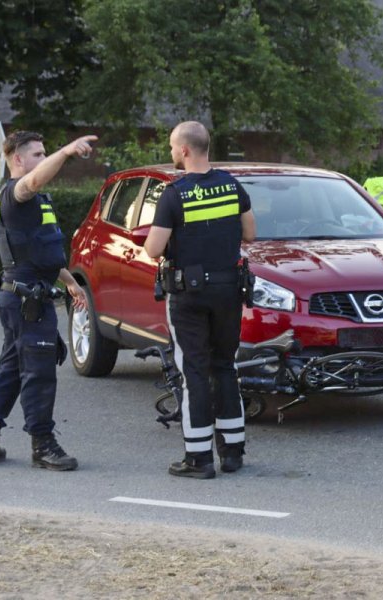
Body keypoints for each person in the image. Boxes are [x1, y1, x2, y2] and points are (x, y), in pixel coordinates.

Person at [0, 131, 94, 471]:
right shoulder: (17, 193)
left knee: (12, 369)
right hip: (27, 298)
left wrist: (70, 282)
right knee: (39, 373)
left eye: (45, 153)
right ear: (17, 159)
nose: (43, 159)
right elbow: (34, 180)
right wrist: (66, 152)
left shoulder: (34, 200)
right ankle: (43, 445)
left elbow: (40, 251)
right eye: (37, 154)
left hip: (23, 293)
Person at [144, 121, 256, 479]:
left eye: (172, 146)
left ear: (184, 150)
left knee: (193, 370)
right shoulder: (232, 185)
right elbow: (250, 233)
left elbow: (153, 249)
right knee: (225, 365)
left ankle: (198, 458)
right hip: (228, 290)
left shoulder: (174, 194)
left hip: (188, 295)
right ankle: (233, 452)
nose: (171, 152)